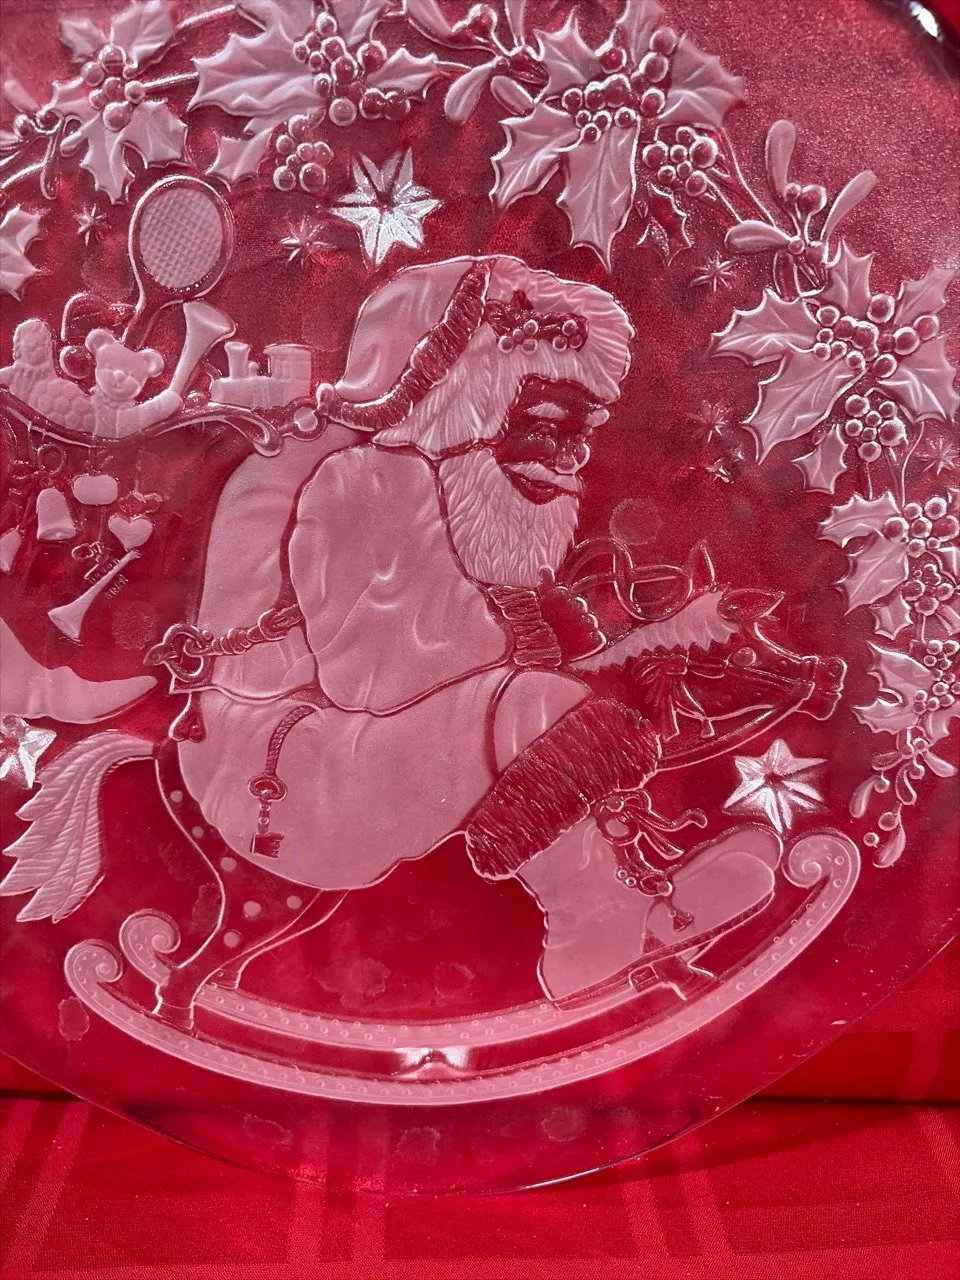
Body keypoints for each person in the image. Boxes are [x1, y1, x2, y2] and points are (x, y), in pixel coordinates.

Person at [177, 256, 775, 1003]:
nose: (568, 460)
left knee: (535, 704)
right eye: (545, 427)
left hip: (339, 752)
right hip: (286, 775)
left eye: (581, 435)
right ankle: (590, 922)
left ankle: (632, 887)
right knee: (528, 708)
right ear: (462, 402)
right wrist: (558, 663)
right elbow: (381, 683)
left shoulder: (441, 497)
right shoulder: (369, 483)